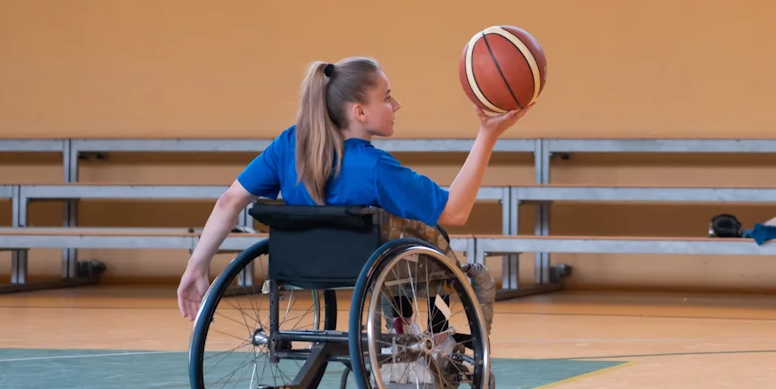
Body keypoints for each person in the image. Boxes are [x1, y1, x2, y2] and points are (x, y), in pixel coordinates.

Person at [176, 56, 532, 329]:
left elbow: (230, 200)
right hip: (372, 272)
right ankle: (437, 342)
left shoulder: (289, 145)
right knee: (465, 270)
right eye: (387, 97)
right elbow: (454, 212)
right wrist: (488, 135)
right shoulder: (375, 168)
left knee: (396, 249)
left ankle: (400, 329)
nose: (396, 106)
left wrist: (197, 264)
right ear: (360, 111)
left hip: (303, 268)